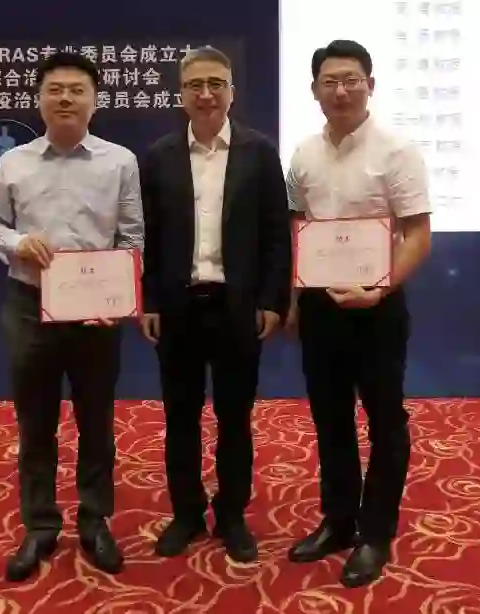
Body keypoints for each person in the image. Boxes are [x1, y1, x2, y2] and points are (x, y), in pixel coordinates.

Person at [0, 51, 143, 582]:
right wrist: (16, 242)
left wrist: (116, 299)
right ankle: (40, 525)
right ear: (40, 99)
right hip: (30, 306)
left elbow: (132, 238)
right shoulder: (14, 162)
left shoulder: (120, 162)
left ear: (95, 101)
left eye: (76, 90)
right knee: (35, 421)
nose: (65, 98)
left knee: (96, 420)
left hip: (96, 311)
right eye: (55, 89)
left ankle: (96, 521)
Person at [285, 39, 432, 587]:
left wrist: (380, 287)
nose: (341, 90)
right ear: (315, 89)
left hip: (378, 309)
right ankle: (339, 520)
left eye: (351, 79)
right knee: (330, 418)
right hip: (321, 307)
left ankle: (376, 533)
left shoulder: (398, 151)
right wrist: (294, 301)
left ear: (370, 84)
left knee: (385, 420)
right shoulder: (303, 154)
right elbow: (297, 231)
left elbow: (418, 235)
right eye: (330, 81)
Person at [139, 46, 293, 563]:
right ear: (180, 94)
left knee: (234, 418)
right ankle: (186, 513)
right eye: (194, 85)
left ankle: (231, 515)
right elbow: (148, 236)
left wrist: (271, 301)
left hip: (237, 307)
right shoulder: (158, 155)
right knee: (180, 417)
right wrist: (149, 300)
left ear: (232, 91)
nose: (205, 94)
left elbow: (276, 234)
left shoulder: (259, 151)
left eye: (215, 84)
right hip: (177, 307)